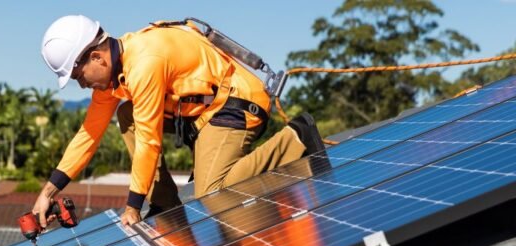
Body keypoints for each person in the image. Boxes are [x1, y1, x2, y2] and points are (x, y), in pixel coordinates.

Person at [32, 14, 325, 228]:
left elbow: (149, 138)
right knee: (126, 113)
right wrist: (48, 193)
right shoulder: (115, 76)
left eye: (78, 76)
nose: (81, 85)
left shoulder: (144, 62)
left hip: (235, 104)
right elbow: (89, 134)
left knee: (213, 192)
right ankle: (165, 204)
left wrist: (133, 206)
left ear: (97, 57)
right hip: (202, 115)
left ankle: (296, 137)